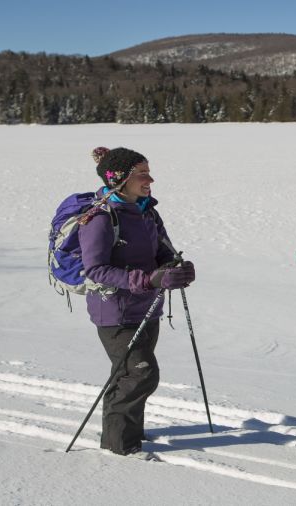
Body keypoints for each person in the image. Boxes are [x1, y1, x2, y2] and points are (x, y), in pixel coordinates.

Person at [78, 146, 195, 455]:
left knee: (129, 375)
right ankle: (119, 448)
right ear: (120, 180)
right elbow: (96, 269)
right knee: (139, 373)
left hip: (147, 309)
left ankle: (131, 433)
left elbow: (163, 251)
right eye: (142, 174)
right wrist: (147, 280)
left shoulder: (146, 211)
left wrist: (176, 268)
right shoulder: (99, 218)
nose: (150, 179)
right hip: (115, 313)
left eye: (148, 172)